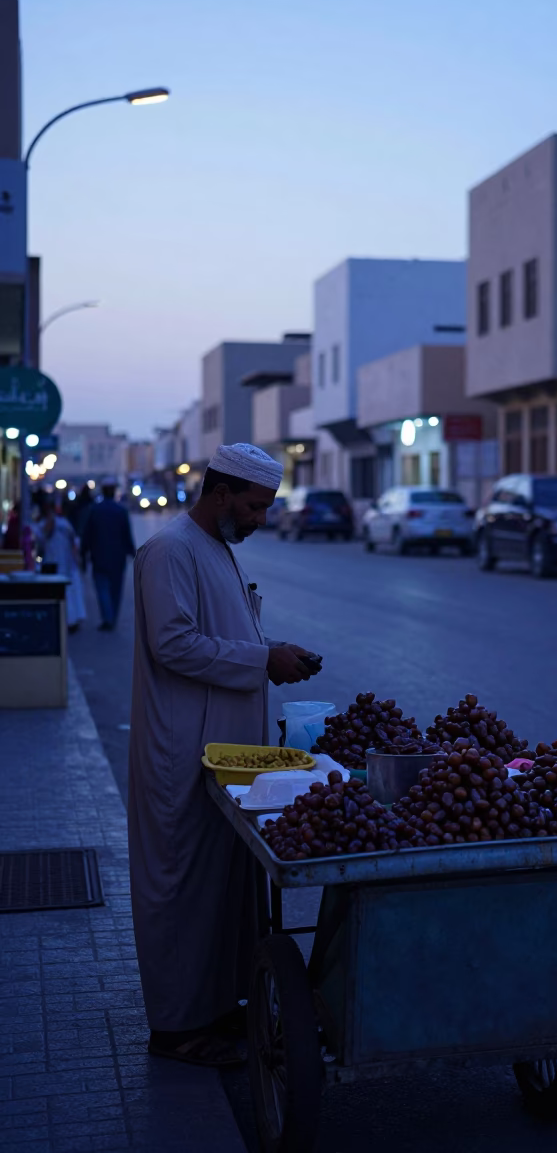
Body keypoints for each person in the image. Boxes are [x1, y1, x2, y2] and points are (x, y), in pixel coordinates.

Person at [128, 443, 321, 1067]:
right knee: (182, 890)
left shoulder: (217, 549)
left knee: (223, 891)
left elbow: (229, 633)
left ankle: (219, 1010)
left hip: (225, 754)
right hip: (182, 750)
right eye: (255, 506)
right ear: (220, 495)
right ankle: (177, 1029)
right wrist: (263, 660)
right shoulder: (169, 550)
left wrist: (273, 649)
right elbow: (175, 645)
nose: (262, 518)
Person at [81, 483, 136, 630]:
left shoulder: (95, 510)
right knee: (116, 590)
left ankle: (107, 617)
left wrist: (83, 552)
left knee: (102, 588)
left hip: (98, 556)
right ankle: (112, 617)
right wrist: (132, 552)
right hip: (118, 558)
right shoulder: (121, 511)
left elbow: (87, 534)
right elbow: (127, 534)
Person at [37, 501, 86, 632]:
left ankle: (69, 621)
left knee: (66, 593)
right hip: (66, 565)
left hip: (58, 565)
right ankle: (71, 620)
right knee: (70, 592)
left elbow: (40, 540)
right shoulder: (65, 524)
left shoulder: (52, 524)